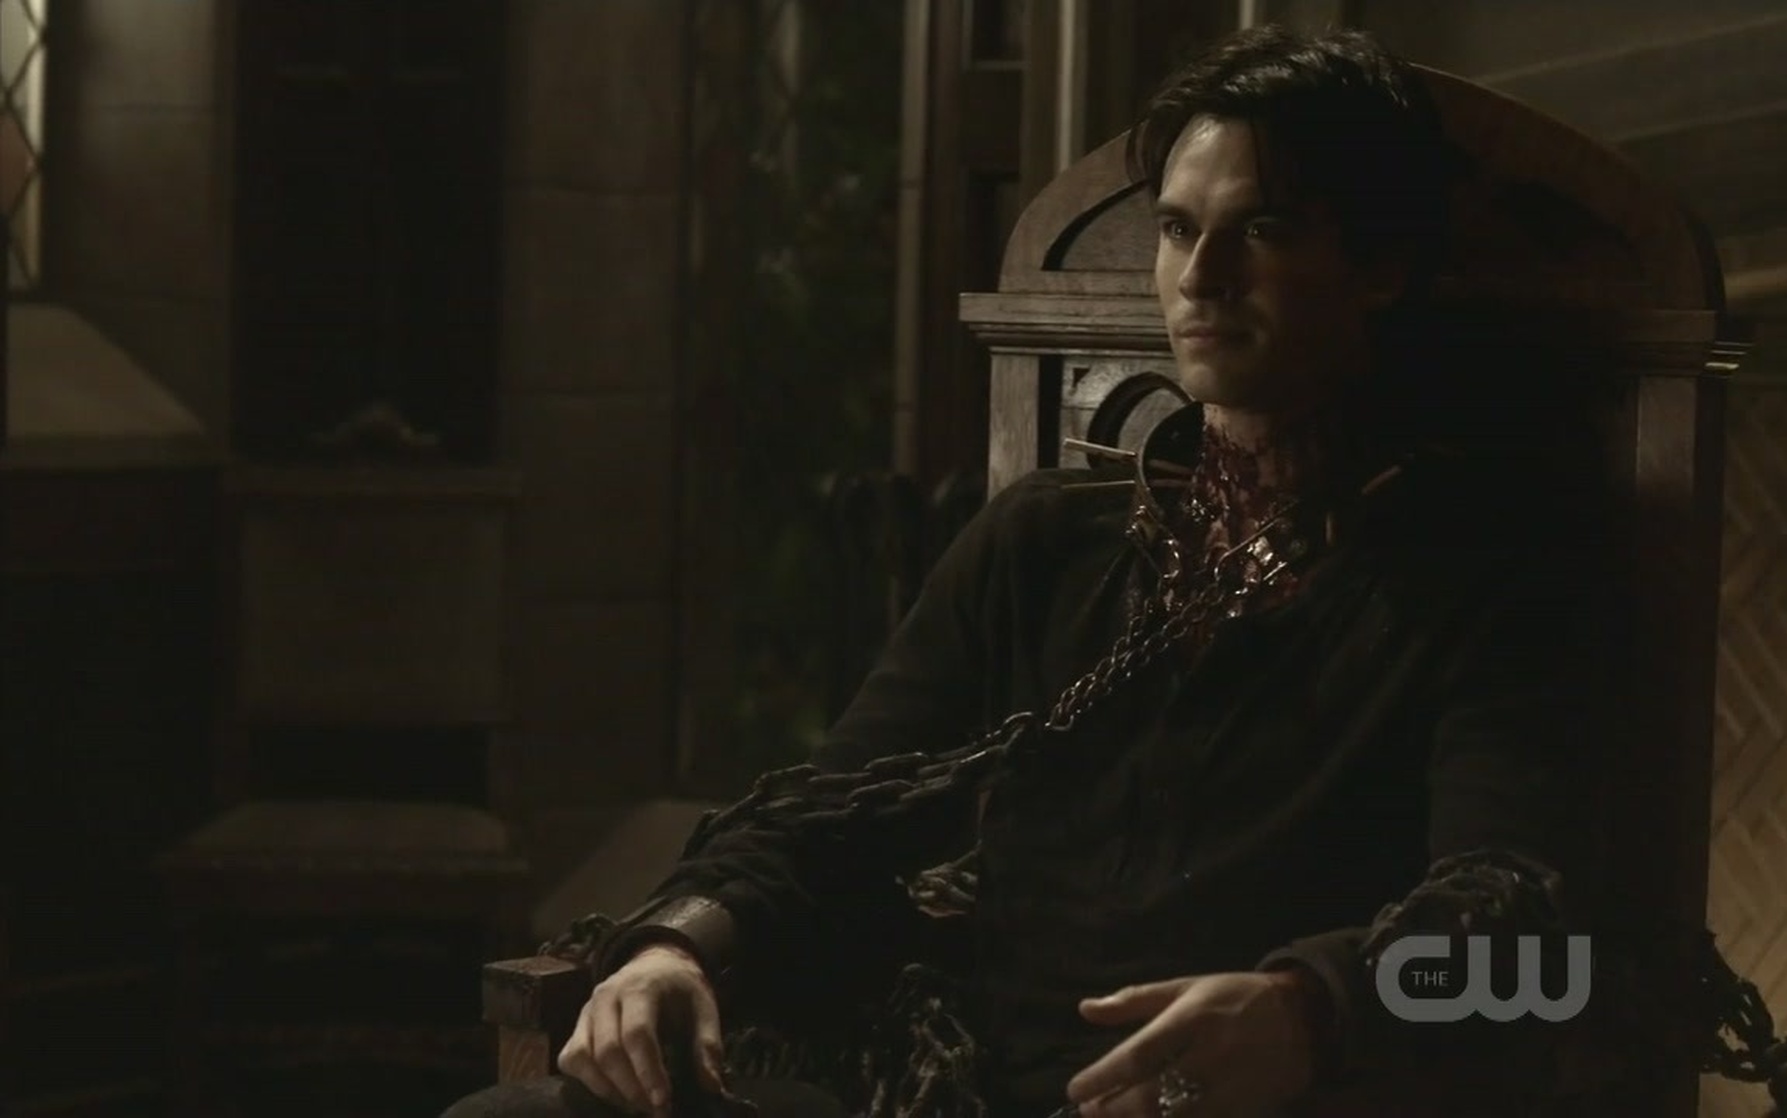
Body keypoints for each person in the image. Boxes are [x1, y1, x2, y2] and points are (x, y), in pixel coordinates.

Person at [447, 23, 1617, 1118]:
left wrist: (1311, 1011)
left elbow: (1540, 960)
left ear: (1380, 267)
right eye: (1176, 229)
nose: (1200, 276)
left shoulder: (1486, 572)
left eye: (1262, 229)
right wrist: (677, 944)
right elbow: (831, 809)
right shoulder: (1048, 541)